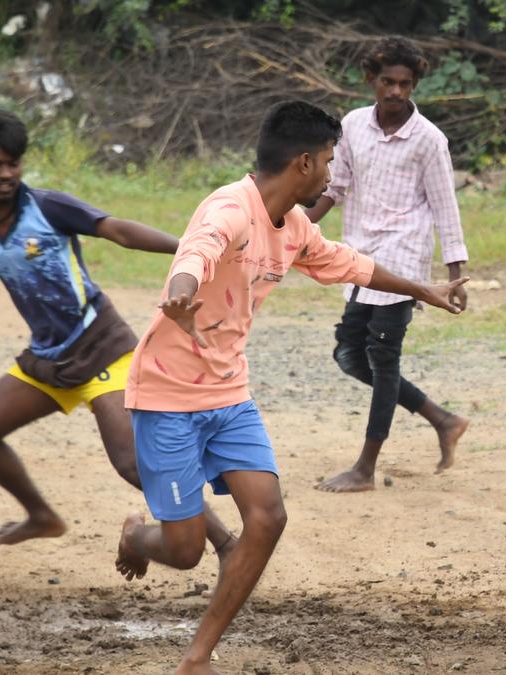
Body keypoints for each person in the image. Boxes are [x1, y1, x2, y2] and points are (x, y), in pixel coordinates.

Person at [114, 100, 467, 675]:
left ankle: (196, 657)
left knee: (268, 517)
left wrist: (423, 289)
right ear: (303, 163)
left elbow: (352, 264)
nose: (332, 173)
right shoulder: (229, 209)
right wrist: (180, 293)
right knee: (182, 552)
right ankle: (137, 537)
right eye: (328, 161)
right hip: (168, 396)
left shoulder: (296, 226)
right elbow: (197, 252)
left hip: (229, 393)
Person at [0, 109, 236, 557]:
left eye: (13, 164)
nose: (6, 174)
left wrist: (190, 248)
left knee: (133, 464)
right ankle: (42, 517)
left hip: (104, 348)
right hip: (50, 360)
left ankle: (224, 544)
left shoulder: (47, 207)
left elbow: (117, 230)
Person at [304, 36, 470, 493]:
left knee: (382, 356)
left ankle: (365, 468)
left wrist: (455, 275)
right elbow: (335, 187)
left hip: (403, 258)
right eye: (387, 82)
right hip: (358, 255)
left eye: (405, 83)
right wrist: (293, 224)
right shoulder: (353, 125)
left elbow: (444, 207)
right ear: (371, 80)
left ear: (415, 84)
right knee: (349, 355)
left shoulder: (429, 140)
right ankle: (442, 418)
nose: (395, 91)